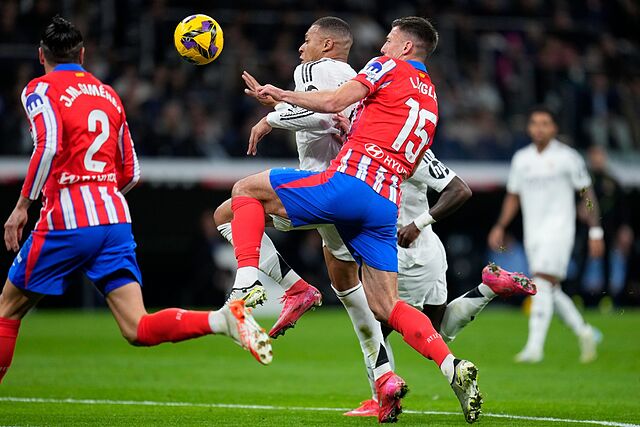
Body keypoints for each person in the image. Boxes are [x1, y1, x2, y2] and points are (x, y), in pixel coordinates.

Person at [229, 16, 483, 423]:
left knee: (243, 192)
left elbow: (331, 102)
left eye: (388, 40)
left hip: (349, 184)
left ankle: (247, 287)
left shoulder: (385, 67)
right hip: (386, 202)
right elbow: (391, 137)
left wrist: (278, 95)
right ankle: (452, 366)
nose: (381, 47)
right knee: (386, 305)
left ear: (404, 48)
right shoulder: (431, 96)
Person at [0, 16, 272, 386]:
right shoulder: (107, 94)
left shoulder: (39, 89)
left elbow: (46, 145)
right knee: (136, 326)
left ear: (40, 55)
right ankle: (221, 319)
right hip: (113, 218)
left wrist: (21, 207)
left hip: (66, 216)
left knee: (7, 310)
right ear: (82, 54)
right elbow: (131, 173)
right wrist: (102, 195)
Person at [344, 150, 536, 417]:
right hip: (431, 249)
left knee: (375, 328)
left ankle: (382, 399)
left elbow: (460, 190)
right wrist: (422, 224)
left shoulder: (378, 150)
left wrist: (415, 224)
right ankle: (488, 287)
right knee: (436, 330)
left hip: (398, 251)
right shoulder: (417, 149)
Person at [488, 106, 604, 364]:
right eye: (534, 123)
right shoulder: (522, 159)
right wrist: (500, 226)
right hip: (534, 233)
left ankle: (534, 348)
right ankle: (584, 332)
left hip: (560, 229)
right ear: (529, 128)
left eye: (545, 123)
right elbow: (513, 196)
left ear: (554, 128)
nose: (539, 128)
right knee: (549, 287)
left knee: (541, 281)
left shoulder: (568, 157)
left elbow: (587, 194)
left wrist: (595, 230)